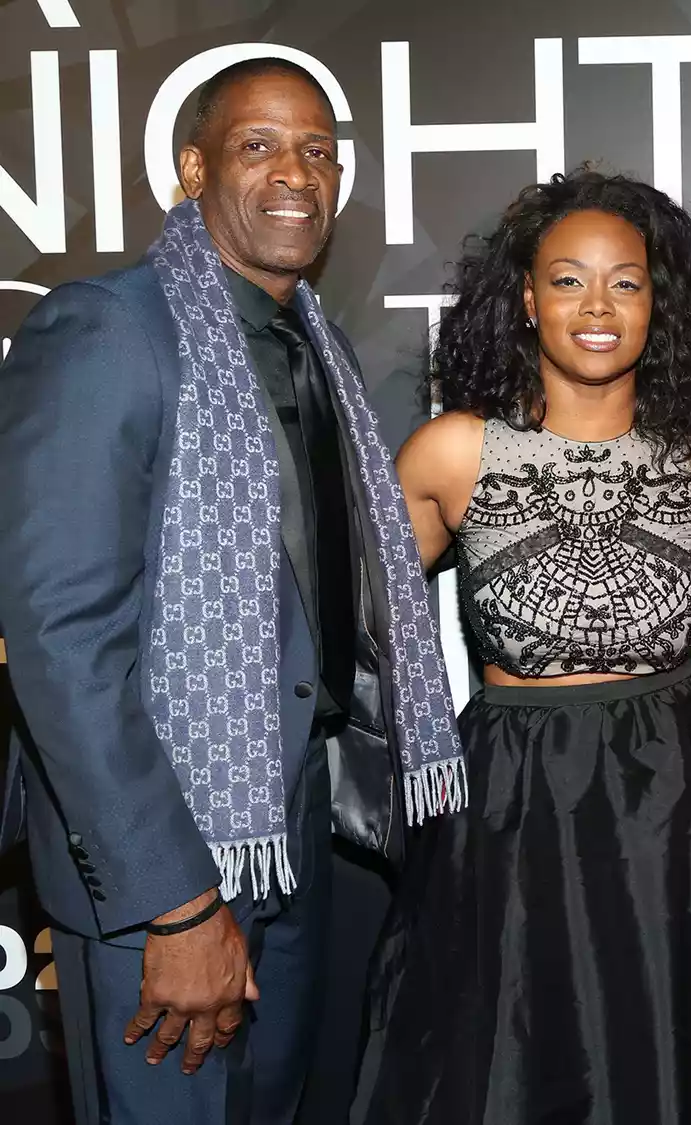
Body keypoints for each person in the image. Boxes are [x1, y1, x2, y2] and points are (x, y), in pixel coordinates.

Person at [0, 60, 462, 1125]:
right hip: (163, 864)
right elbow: (63, 643)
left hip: (291, 832)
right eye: (259, 146)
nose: (295, 173)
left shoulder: (319, 349)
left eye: (318, 152)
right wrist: (177, 902)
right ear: (193, 168)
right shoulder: (108, 331)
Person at [350, 169, 691, 1125]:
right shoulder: (451, 452)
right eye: (568, 280)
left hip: (684, 797)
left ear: (661, 302)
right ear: (526, 300)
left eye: (626, 281)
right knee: (507, 1063)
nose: (598, 307)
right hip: (509, 800)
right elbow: (352, 629)